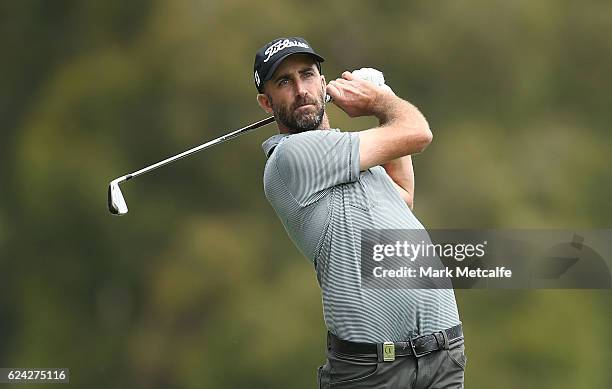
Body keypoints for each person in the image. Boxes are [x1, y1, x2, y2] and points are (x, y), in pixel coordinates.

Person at [255, 37, 467, 388]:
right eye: (284, 82)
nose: (300, 89)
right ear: (267, 103)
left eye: (307, 75)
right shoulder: (292, 158)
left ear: (323, 85)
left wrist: (382, 103)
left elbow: (402, 194)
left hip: (442, 355)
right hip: (371, 372)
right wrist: (382, 101)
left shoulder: (349, 156)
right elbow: (417, 132)